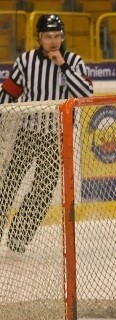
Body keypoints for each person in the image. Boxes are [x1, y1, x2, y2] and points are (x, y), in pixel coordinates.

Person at [0, 13, 93, 253]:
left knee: (43, 189)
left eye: (57, 36)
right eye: (48, 36)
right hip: (28, 132)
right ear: (39, 38)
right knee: (9, 184)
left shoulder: (73, 60)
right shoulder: (26, 60)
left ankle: (18, 238)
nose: (53, 41)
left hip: (55, 137)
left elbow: (85, 94)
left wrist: (62, 65)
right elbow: (9, 92)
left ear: (62, 37)